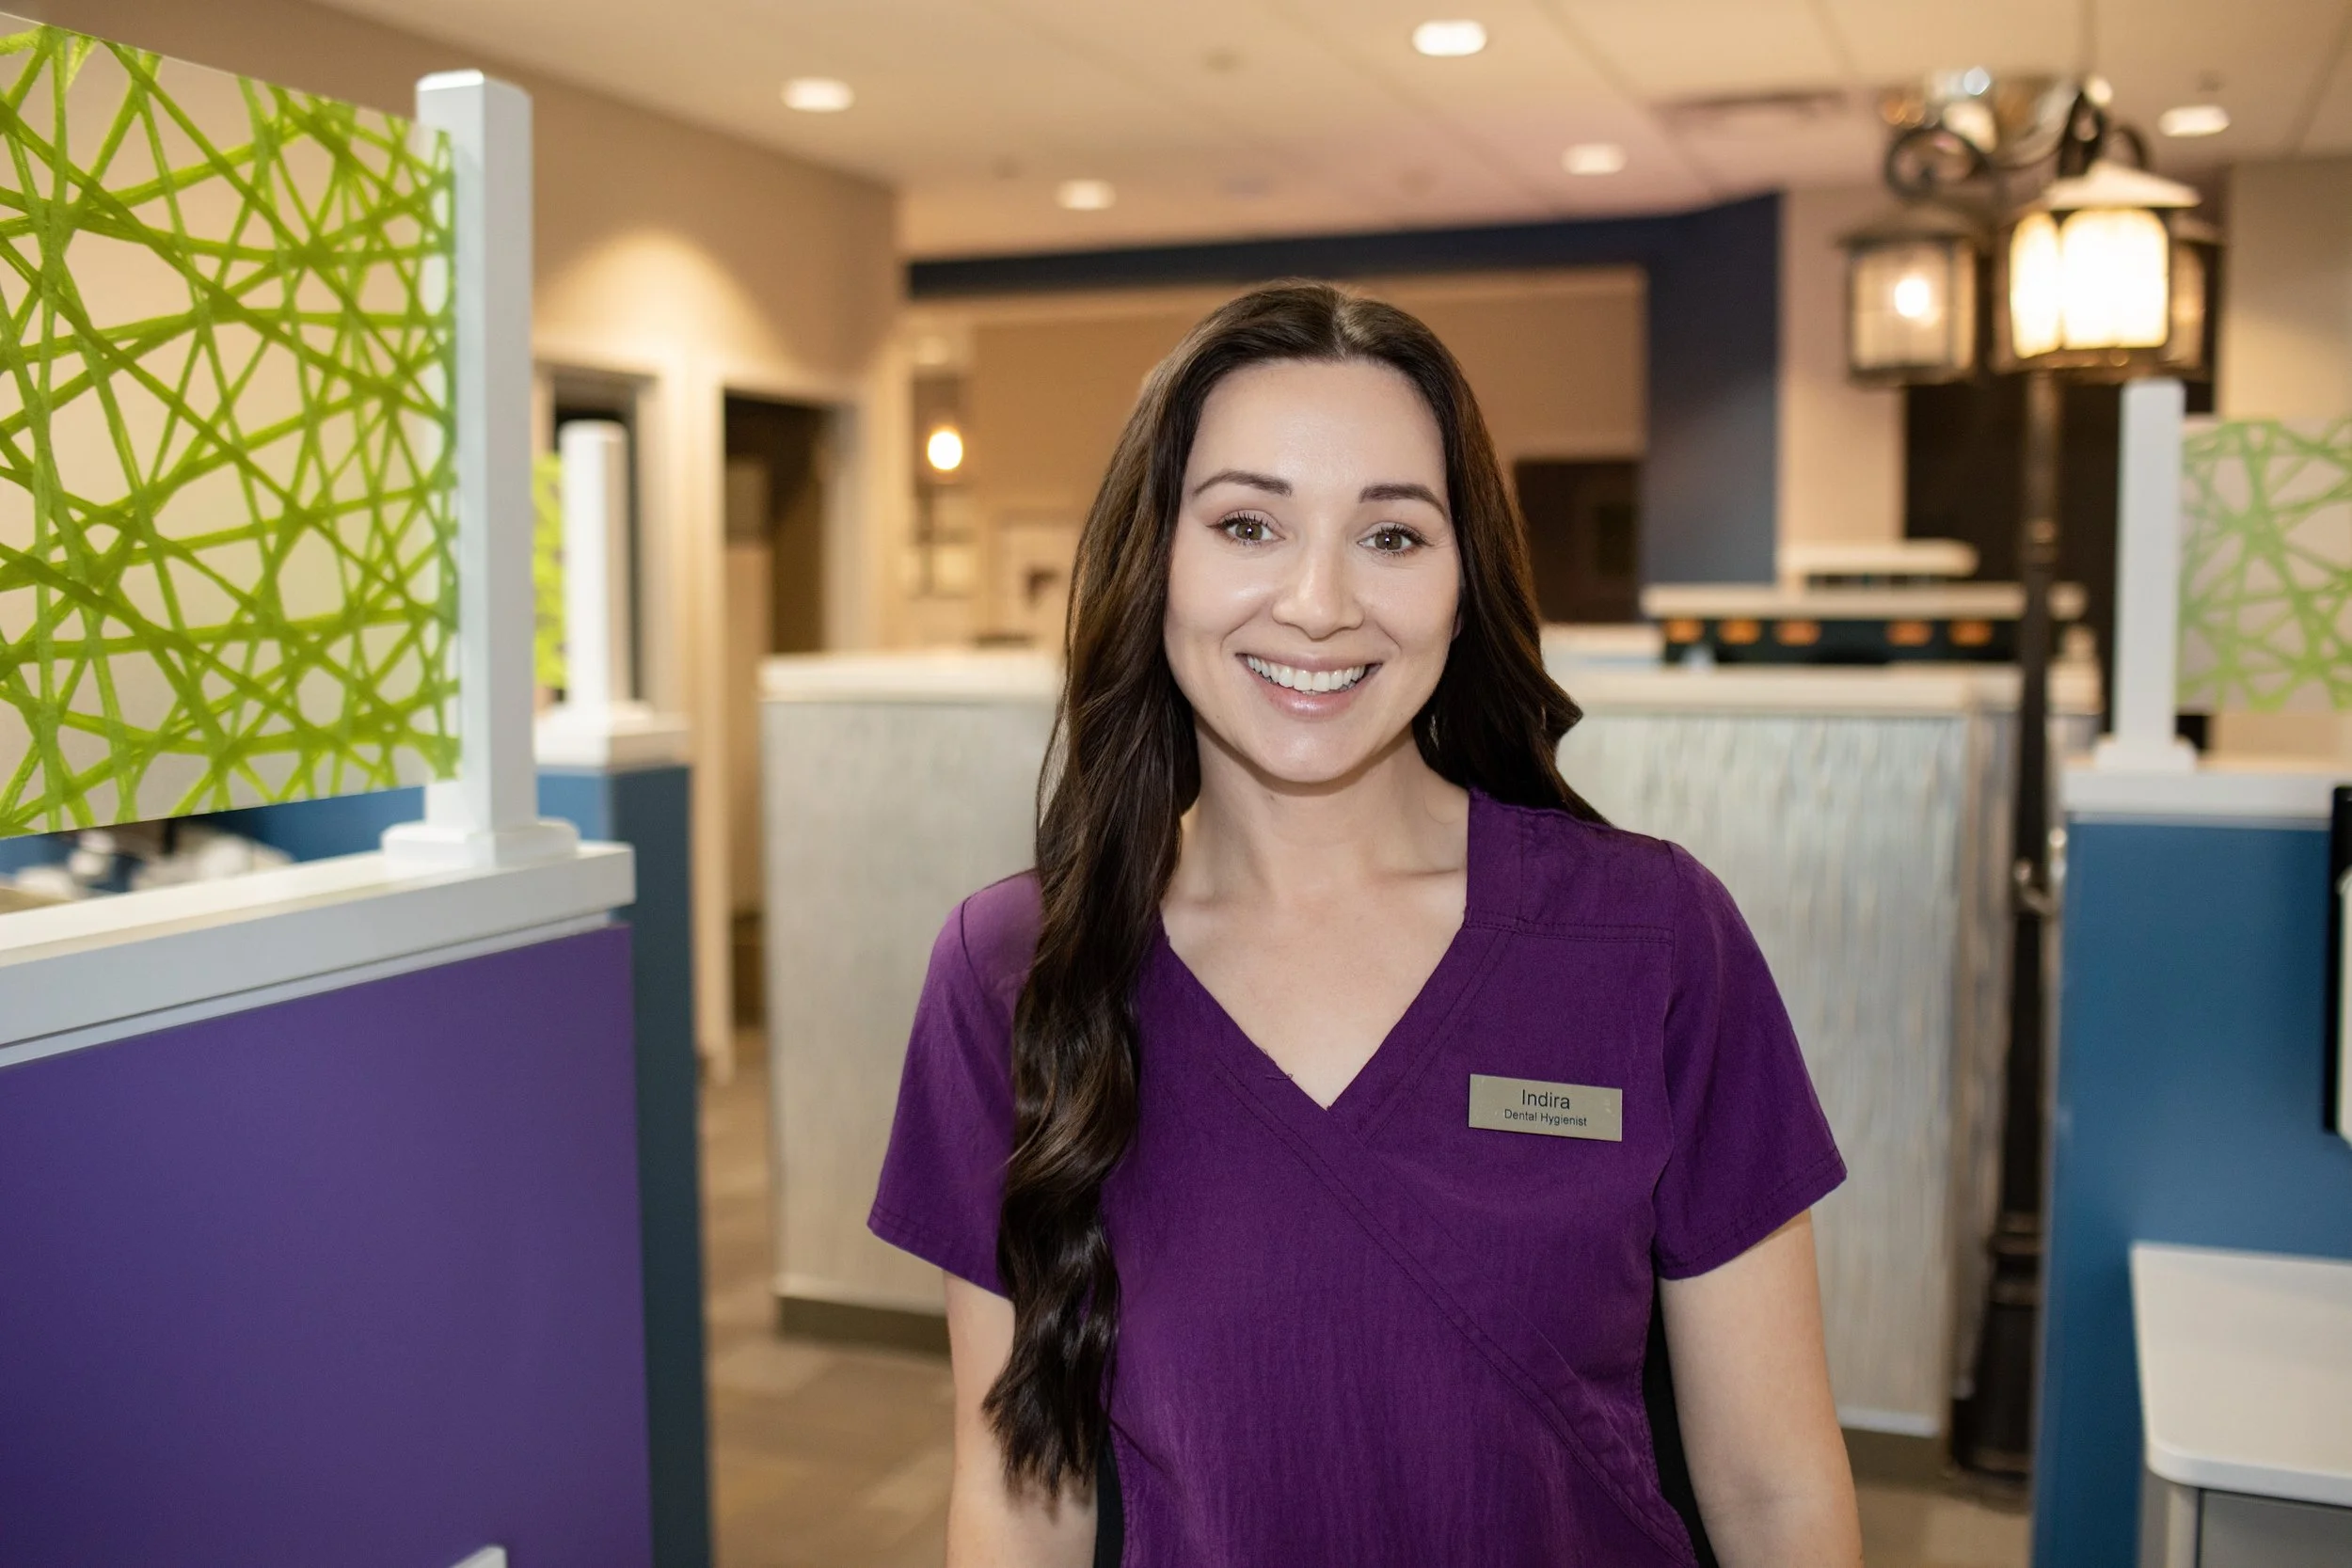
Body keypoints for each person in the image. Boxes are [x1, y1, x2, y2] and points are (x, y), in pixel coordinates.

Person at [869, 281, 1863, 1567]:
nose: (1320, 602)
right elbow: (1021, 1496)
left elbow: (1776, 1488)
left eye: (1391, 536)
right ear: (1153, 560)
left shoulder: (1653, 938)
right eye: (1247, 523)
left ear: (1463, 582)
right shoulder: (1016, 970)